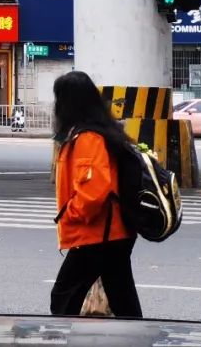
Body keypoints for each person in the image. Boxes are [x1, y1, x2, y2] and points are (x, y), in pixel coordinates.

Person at [50, 70, 141, 318]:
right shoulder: (103, 132)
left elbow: (93, 192)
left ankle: (63, 335)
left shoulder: (88, 138)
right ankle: (139, 335)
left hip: (97, 234)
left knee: (63, 297)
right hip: (115, 232)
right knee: (122, 298)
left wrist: (71, 214)